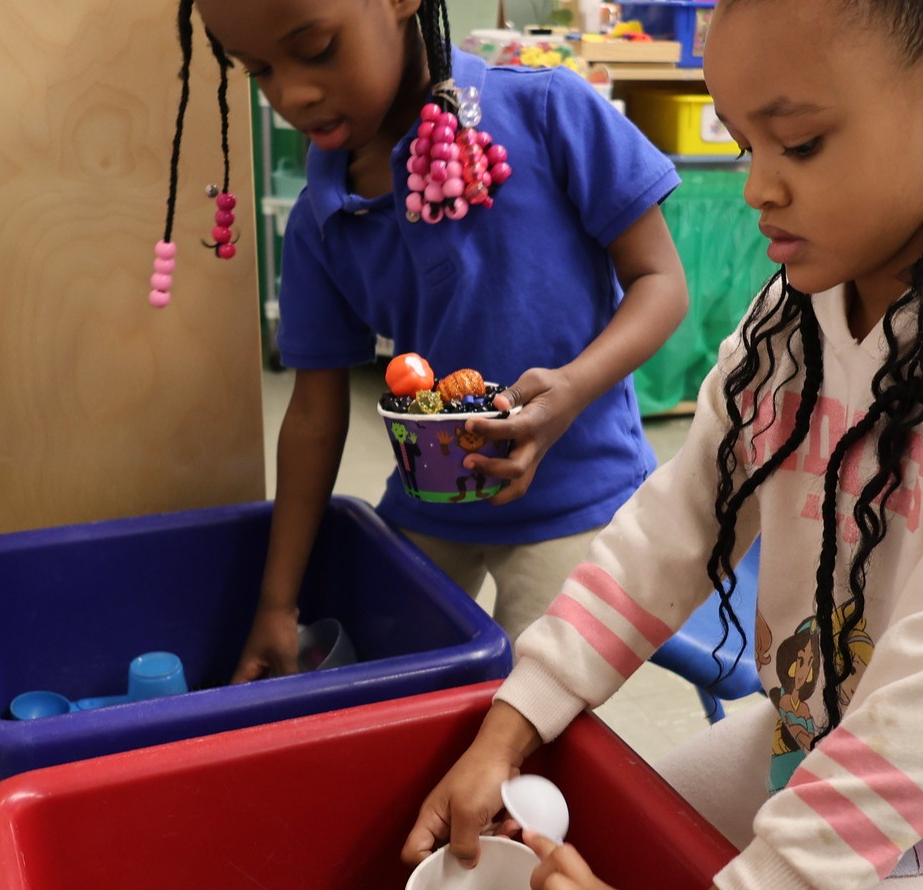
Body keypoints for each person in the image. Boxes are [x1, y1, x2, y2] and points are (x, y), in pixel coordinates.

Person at [403, 0, 923, 887]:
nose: (758, 186)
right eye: (742, 145)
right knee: (618, 831)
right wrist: (513, 722)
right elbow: (673, 532)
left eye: (797, 143)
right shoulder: (792, 318)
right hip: (829, 739)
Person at [157, 0, 691, 678]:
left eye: (317, 48)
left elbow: (661, 281)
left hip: (580, 500)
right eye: (259, 71)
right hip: (430, 501)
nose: (292, 95)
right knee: (373, 678)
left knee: (537, 704)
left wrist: (573, 389)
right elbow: (315, 417)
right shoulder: (321, 225)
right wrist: (276, 603)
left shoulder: (551, 113)